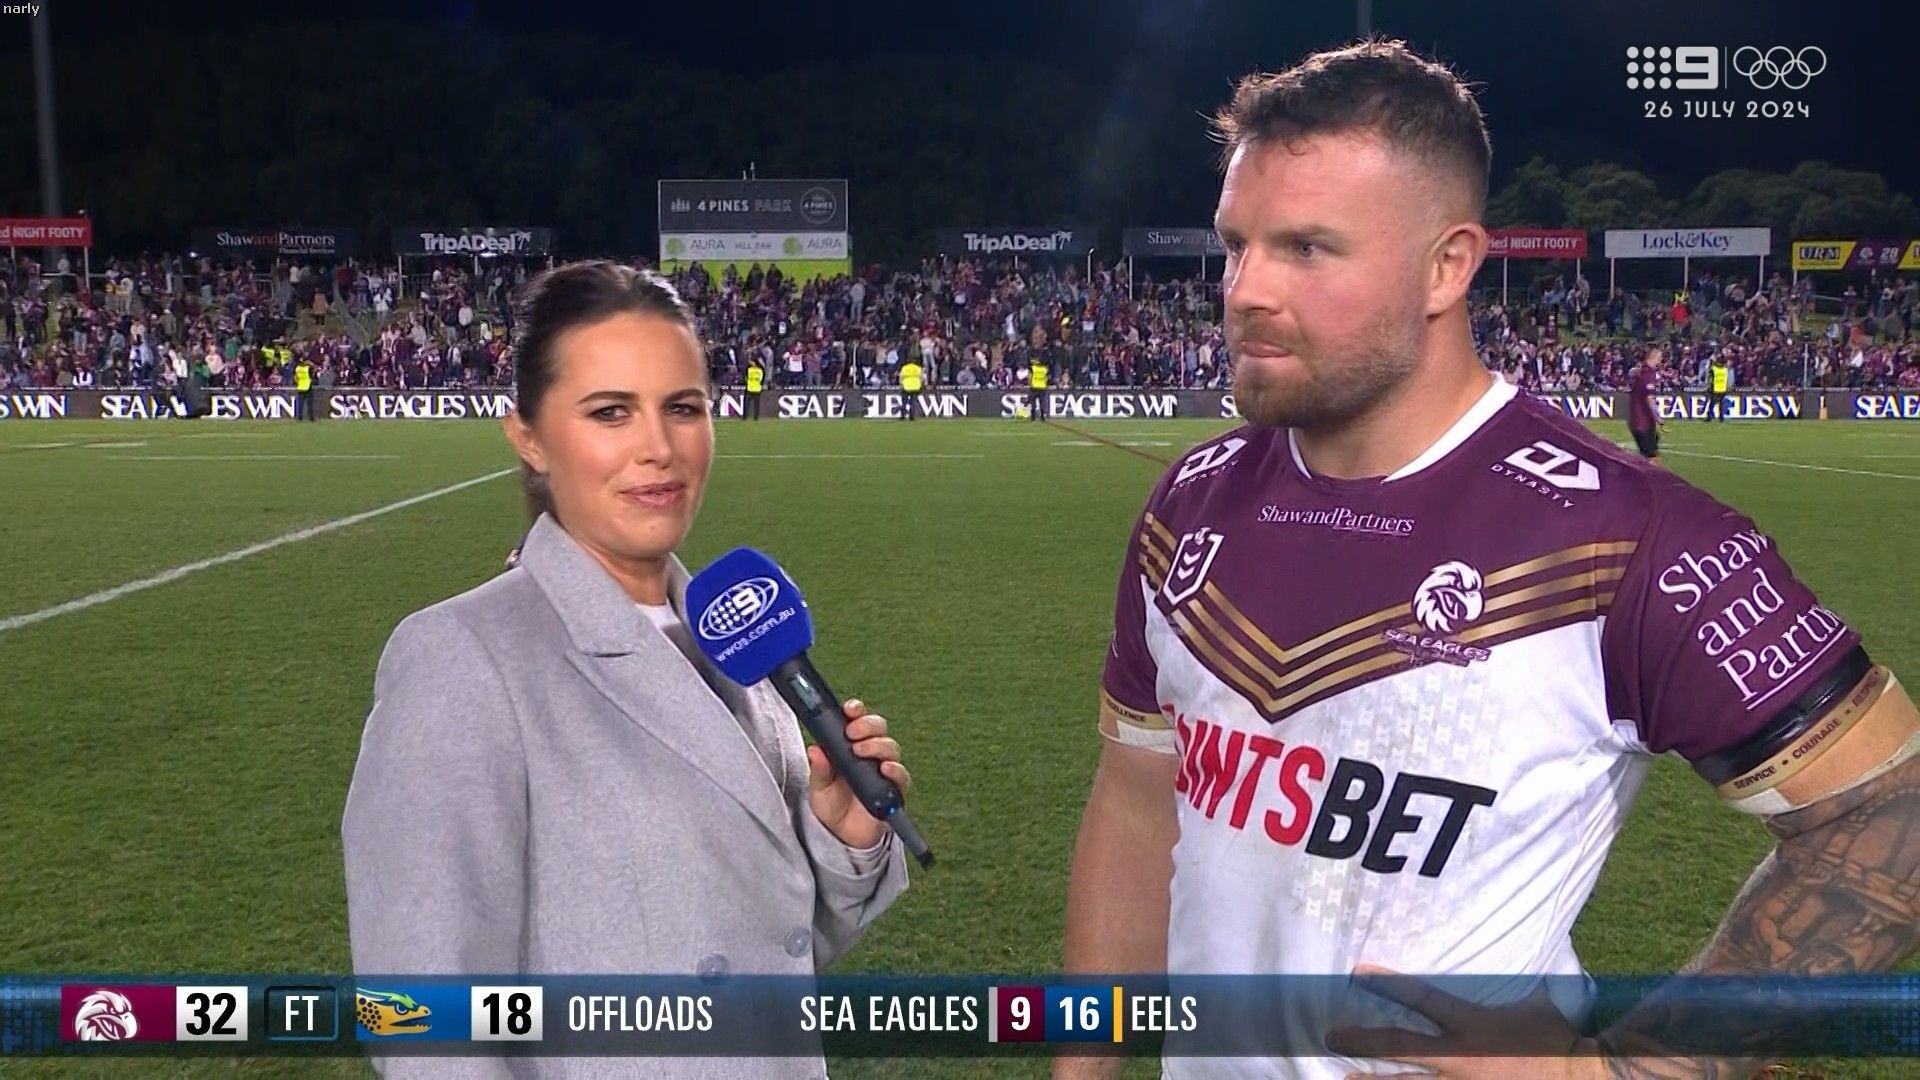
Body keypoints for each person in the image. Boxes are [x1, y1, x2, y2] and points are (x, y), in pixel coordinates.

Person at [1060, 40, 1920, 1080]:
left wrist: (1630, 1069)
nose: (1245, 291)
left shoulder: (1628, 536)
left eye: (1307, 249)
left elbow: (1893, 805)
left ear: (1449, 265)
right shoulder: (1188, 504)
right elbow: (1138, 799)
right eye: (1236, 244)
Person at [344, 261, 911, 1078]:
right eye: (610, 412)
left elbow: (765, 948)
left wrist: (840, 840)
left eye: (683, 408)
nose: (658, 447)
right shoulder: (460, 659)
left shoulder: (733, 642)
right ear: (529, 436)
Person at [1627, 344, 1664, 466]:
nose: (1660, 361)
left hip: (1636, 420)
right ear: (1655, 357)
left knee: (1646, 456)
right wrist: (1657, 417)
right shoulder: (1649, 374)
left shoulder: (1639, 371)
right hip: (1643, 422)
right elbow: (1649, 398)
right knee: (1653, 459)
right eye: (1660, 358)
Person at [899, 354, 924, 421]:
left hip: (906, 386)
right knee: (913, 402)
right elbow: (922, 378)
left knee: (904, 402)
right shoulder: (918, 368)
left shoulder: (904, 368)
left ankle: (903, 416)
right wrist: (921, 385)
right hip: (915, 387)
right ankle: (912, 416)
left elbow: (901, 377)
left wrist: (901, 385)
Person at [1708, 353, 1731, 421]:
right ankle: (1721, 417)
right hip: (1723, 388)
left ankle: (1710, 417)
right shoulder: (1725, 369)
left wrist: (1712, 359)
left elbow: (1711, 367)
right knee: (1721, 404)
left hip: (1715, 387)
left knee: (1712, 403)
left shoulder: (1714, 368)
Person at [293, 352, 315, 422]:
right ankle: (311, 418)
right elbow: (313, 373)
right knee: (309, 404)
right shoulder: (308, 368)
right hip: (308, 387)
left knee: (300, 404)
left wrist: (298, 382)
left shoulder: (297, 368)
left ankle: (299, 418)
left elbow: (295, 378)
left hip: (301, 387)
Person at [1028, 353, 1049, 421]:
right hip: (1042, 387)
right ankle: (1042, 416)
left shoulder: (1033, 368)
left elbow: (1029, 377)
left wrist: (1029, 384)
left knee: (1033, 402)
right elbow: (1047, 378)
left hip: (1034, 387)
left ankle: (1033, 417)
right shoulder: (1045, 369)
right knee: (1042, 402)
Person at [744, 355, 765, 420]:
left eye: (751, 361)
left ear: (754, 362)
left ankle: (745, 417)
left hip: (750, 388)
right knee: (756, 404)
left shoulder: (749, 369)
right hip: (757, 388)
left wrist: (747, 383)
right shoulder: (760, 370)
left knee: (747, 403)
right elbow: (762, 379)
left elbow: (746, 377)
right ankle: (756, 417)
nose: (750, 362)